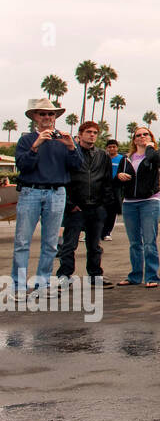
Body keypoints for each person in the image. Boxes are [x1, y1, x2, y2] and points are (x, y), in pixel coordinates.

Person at [12, 97, 82, 290]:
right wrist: (36, 145)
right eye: (42, 113)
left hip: (57, 193)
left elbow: (77, 166)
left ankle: (42, 283)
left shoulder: (64, 140)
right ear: (35, 116)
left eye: (51, 113)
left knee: (51, 243)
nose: (47, 117)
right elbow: (23, 166)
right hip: (30, 191)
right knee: (22, 242)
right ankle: (18, 285)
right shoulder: (26, 140)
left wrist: (70, 146)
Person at [56, 121, 114, 287]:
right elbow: (64, 180)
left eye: (95, 132)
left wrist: (104, 204)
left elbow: (107, 181)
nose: (92, 135)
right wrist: (69, 204)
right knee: (69, 244)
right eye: (88, 132)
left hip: (96, 207)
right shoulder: (71, 153)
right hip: (76, 207)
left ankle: (95, 275)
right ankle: (64, 275)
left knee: (94, 245)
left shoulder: (102, 156)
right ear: (80, 135)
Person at [116, 127, 160, 287]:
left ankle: (151, 276)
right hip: (129, 203)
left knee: (149, 241)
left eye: (145, 134)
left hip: (149, 201)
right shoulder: (126, 158)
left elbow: (156, 160)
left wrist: (149, 147)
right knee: (135, 242)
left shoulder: (155, 155)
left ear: (151, 137)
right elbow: (117, 181)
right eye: (138, 135)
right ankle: (135, 276)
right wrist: (119, 177)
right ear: (134, 140)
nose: (142, 137)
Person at [101, 139, 122, 241]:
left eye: (114, 147)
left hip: (115, 188)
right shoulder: (102, 158)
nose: (112, 149)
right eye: (109, 147)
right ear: (106, 148)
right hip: (102, 187)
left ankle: (107, 232)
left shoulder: (122, 159)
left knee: (112, 212)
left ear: (117, 148)